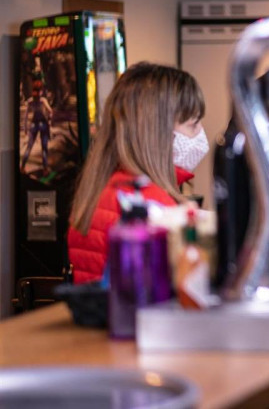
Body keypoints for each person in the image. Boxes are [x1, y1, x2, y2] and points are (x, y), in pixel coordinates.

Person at [68, 63, 208, 284]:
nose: (201, 134)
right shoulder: (150, 204)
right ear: (159, 132)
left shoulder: (103, 187)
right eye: (193, 124)